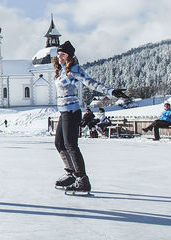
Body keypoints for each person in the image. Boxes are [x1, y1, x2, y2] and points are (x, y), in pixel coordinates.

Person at [51, 41, 127, 193]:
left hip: (72, 112)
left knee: (70, 145)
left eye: (63, 54)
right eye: (59, 54)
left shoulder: (74, 69)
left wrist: (110, 91)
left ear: (70, 56)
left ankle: (82, 179)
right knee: (59, 143)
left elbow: (90, 82)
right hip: (63, 111)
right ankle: (71, 174)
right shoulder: (61, 71)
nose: (60, 57)